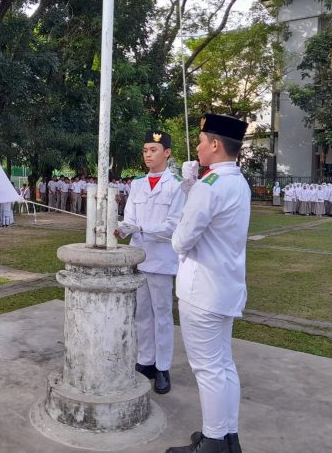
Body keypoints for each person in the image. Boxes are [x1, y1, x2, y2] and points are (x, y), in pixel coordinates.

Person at [167, 114, 250, 453]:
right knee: (223, 366)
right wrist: (192, 188)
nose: (198, 148)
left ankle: (214, 441)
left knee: (208, 369)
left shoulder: (211, 184)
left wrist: (191, 190)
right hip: (224, 287)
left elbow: (180, 241)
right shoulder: (236, 182)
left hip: (202, 291)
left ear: (216, 145)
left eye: (201, 142)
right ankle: (227, 436)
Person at [117, 130, 185, 396]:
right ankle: (145, 361)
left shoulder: (177, 184)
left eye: (153, 150)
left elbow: (172, 226)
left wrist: (138, 227)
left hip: (163, 260)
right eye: (145, 150)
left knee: (162, 315)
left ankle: (163, 367)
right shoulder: (137, 184)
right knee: (142, 313)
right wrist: (120, 229)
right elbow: (129, 219)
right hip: (140, 257)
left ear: (166, 153)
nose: (148, 154)